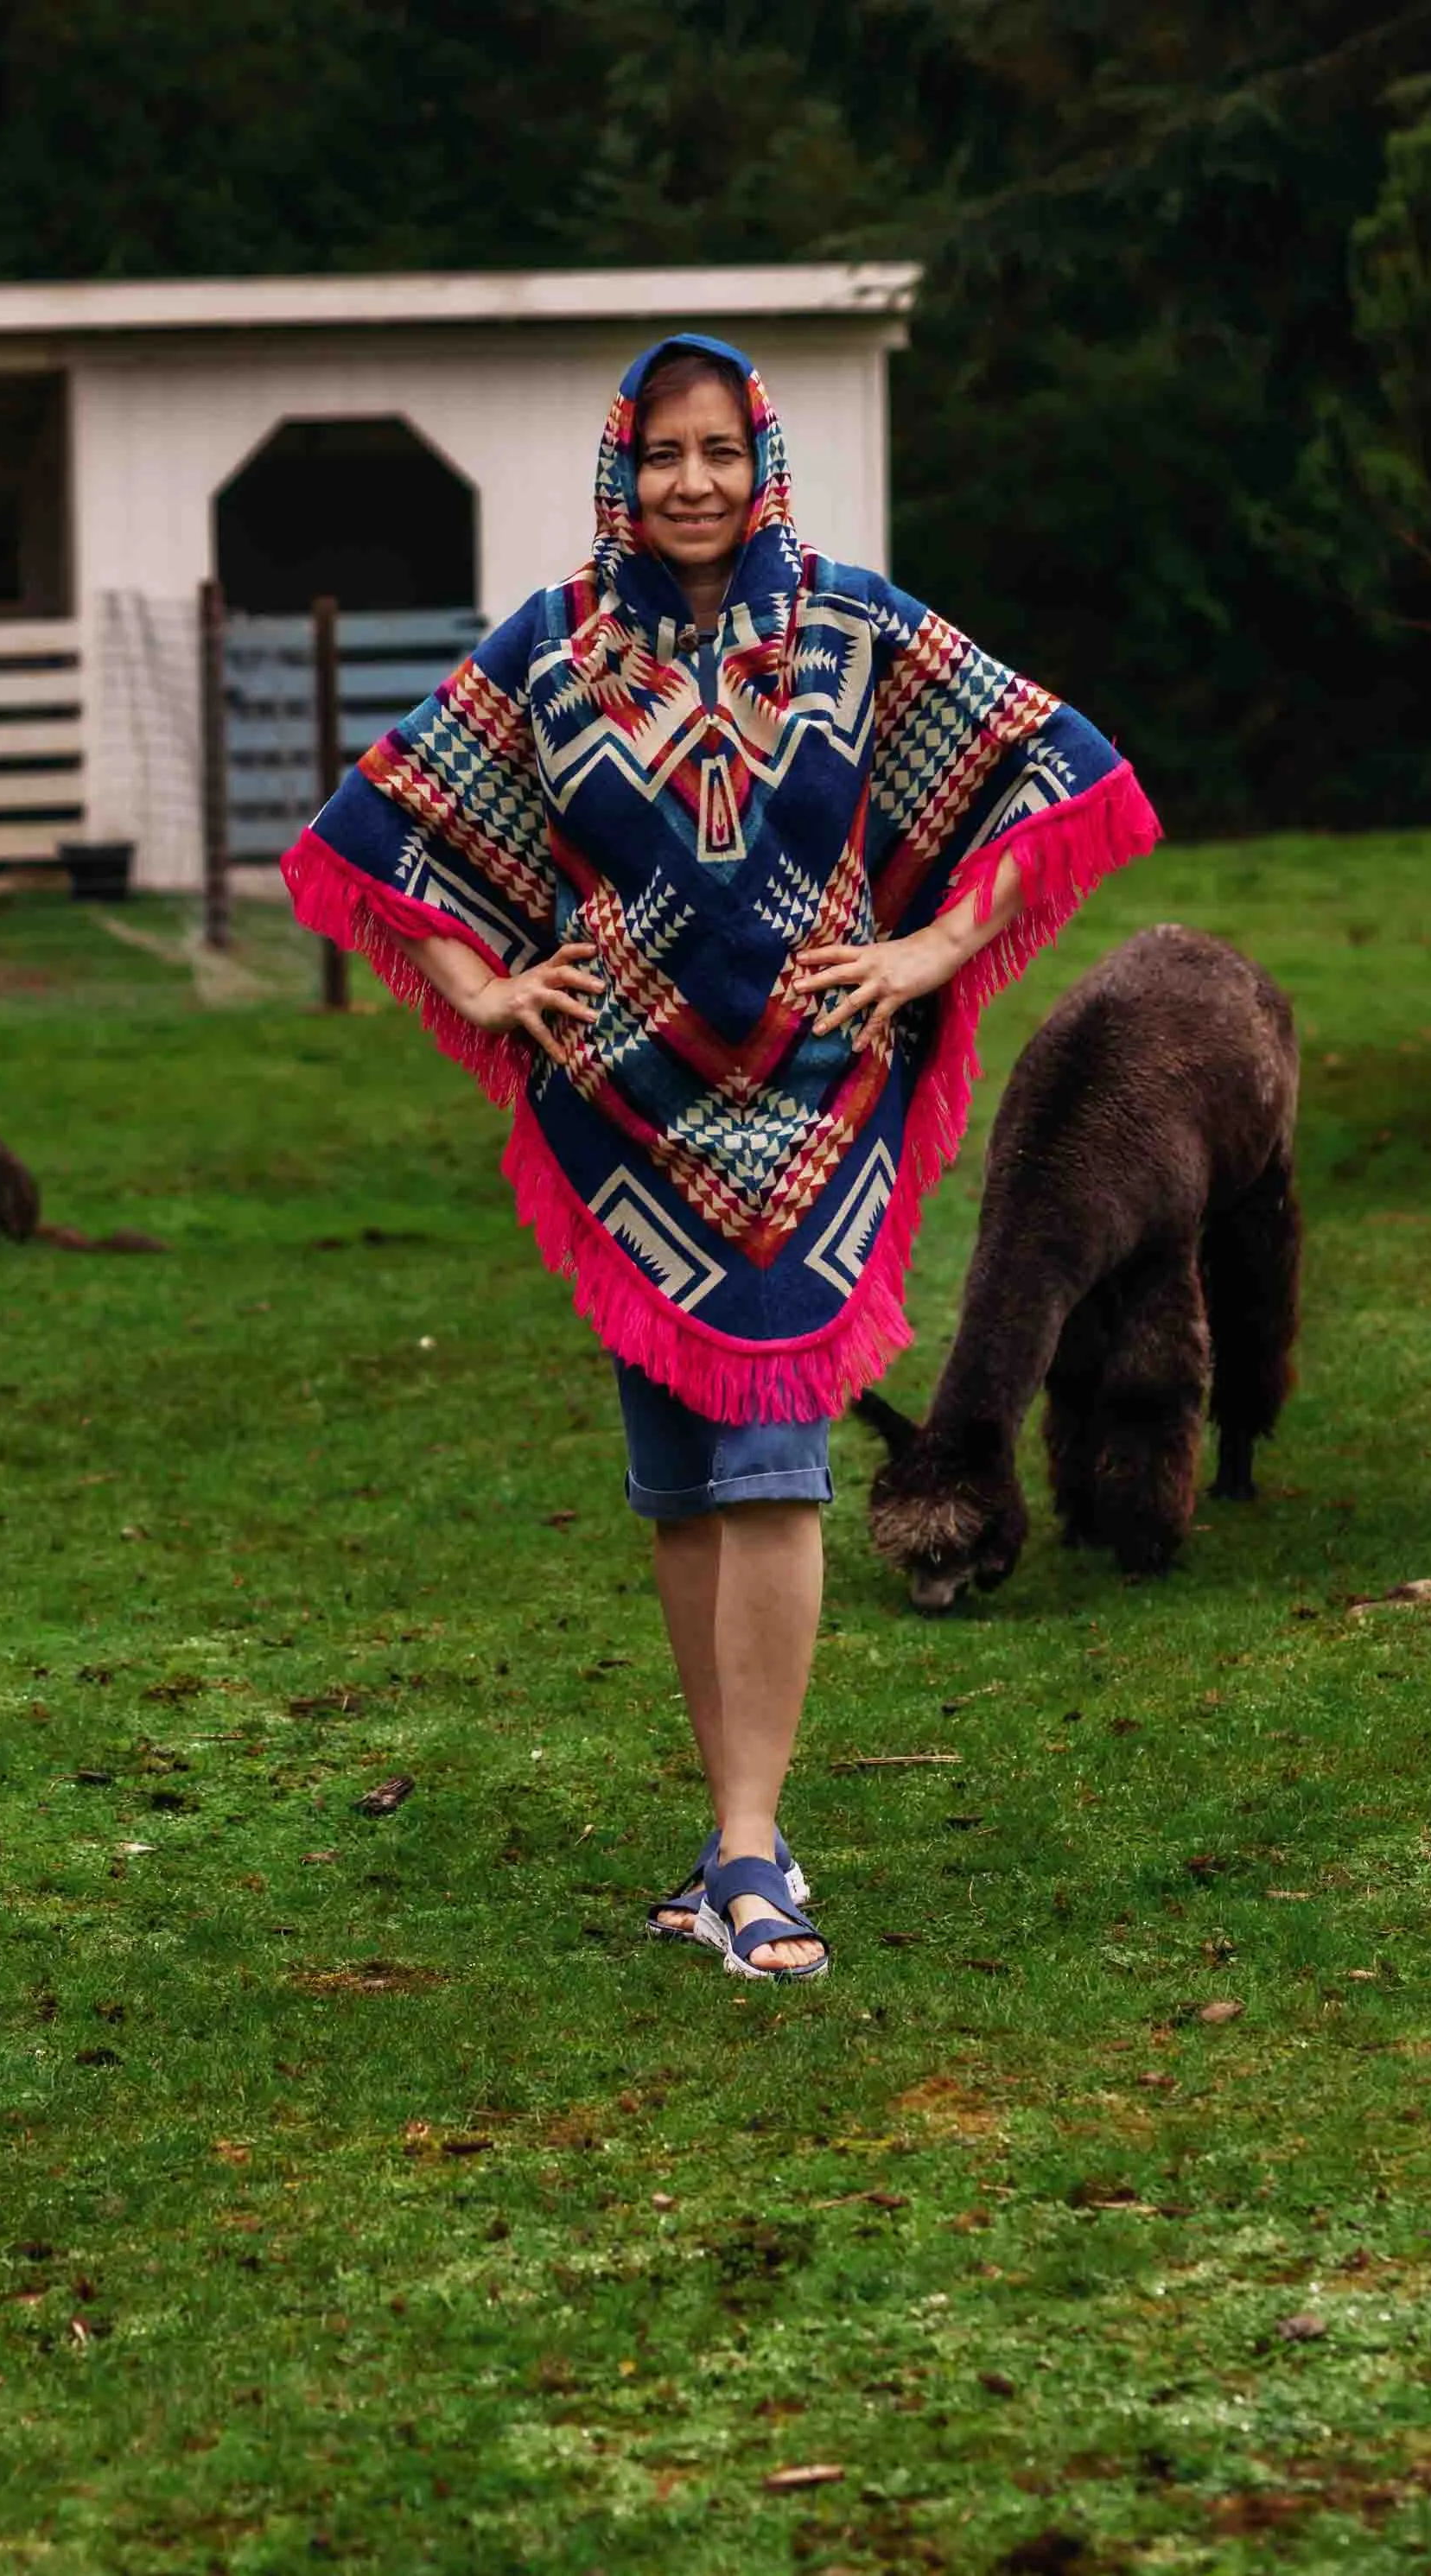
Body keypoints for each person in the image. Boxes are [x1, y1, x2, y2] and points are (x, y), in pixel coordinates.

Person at [281, 336, 1157, 1981]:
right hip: (625, 1114)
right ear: (627, 469)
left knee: (774, 1474)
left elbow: (1055, 769)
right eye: (665, 454)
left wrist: (926, 956)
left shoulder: (853, 626)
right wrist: (481, 981)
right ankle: (730, 1832)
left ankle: (756, 1853)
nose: (694, 483)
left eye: (720, 451)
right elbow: (383, 825)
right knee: (682, 1493)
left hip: (816, 1103)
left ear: (762, 460)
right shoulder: (550, 651)